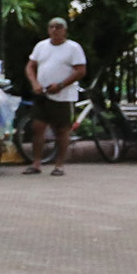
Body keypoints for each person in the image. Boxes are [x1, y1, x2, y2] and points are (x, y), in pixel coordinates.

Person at [25, 17, 88, 177]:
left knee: (62, 129)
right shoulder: (41, 46)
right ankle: (36, 162)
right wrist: (34, 83)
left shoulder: (73, 48)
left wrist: (60, 85)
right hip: (42, 93)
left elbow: (80, 71)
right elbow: (30, 66)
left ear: (64, 30)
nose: (55, 30)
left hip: (63, 95)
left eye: (58, 27)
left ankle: (59, 165)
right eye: (51, 27)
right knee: (37, 127)